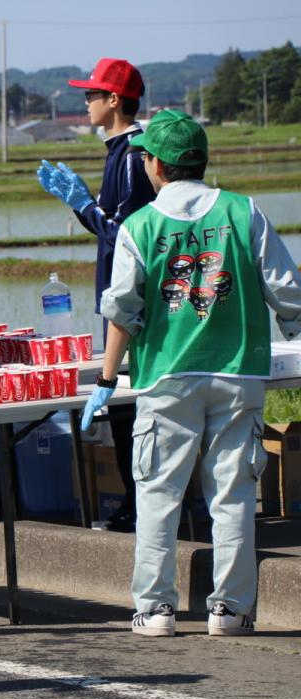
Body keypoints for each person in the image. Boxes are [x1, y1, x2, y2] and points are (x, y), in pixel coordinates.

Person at [84, 110, 301, 637]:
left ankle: (156, 609)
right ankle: (229, 610)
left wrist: (108, 379)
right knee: (232, 496)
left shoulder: (140, 226)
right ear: (202, 159)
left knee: (158, 494)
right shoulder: (243, 212)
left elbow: (121, 313)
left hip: (165, 378)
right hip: (237, 376)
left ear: (154, 165)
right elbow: (288, 293)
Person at [37, 58, 155, 533]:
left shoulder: (132, 154)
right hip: (118, 299)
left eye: (92, 94)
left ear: (115, 101)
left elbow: (125, 235)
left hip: (130, 304)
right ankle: (134, 503)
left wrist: (86, 205)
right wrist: (84, 205)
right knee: (126, 407)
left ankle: (137, 507)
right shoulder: (119, 150)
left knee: (130, 406)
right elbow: (112, 228)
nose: (85, 102)